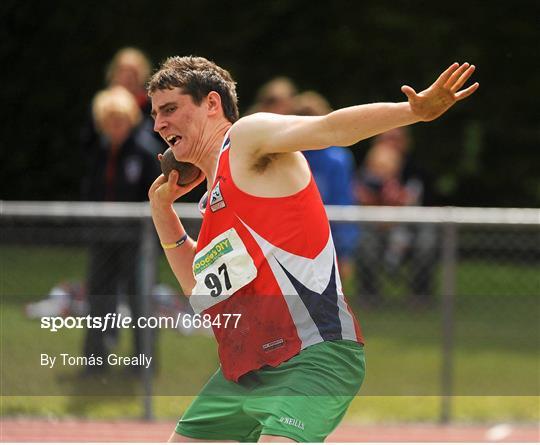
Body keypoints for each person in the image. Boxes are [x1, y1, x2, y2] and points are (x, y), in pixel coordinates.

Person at [147, 57, 478, 442]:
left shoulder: (246, 138)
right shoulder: (213, 200)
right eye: (155, 114)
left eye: (170, 108)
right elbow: (201, 292)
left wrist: (412, 112)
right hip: (245, 370)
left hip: (312, 356)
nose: (158, 124)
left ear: (212, 104)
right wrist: (161, 211)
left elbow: (330, 128)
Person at [81, 86, 161, 374]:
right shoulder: (100, 152)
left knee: (139, 299)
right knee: (98, 298)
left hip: (136, 240)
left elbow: (156, 197)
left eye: (120, 120)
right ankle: (94, 359)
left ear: (129, 119)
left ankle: (144, 364)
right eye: (109, 121)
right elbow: (91, 191)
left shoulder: (145, 152)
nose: (115, 127)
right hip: (103, 238)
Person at [356, 128, 438, 307]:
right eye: (386, 139)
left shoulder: (415, 171)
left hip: (408, 225)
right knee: (364, 241)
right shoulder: (366, 173)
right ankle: (369, 296)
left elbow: (414, 204)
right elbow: (361, 202)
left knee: (427, 240)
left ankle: (420, 296)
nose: (392, 145)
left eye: (396, 140)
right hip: (375, 226)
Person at [295, 91, 360, 290]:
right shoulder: (290, 154)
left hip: (326, 235)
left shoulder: (337, 158)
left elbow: (343, 202)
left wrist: (345, 251)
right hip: (301, 235)